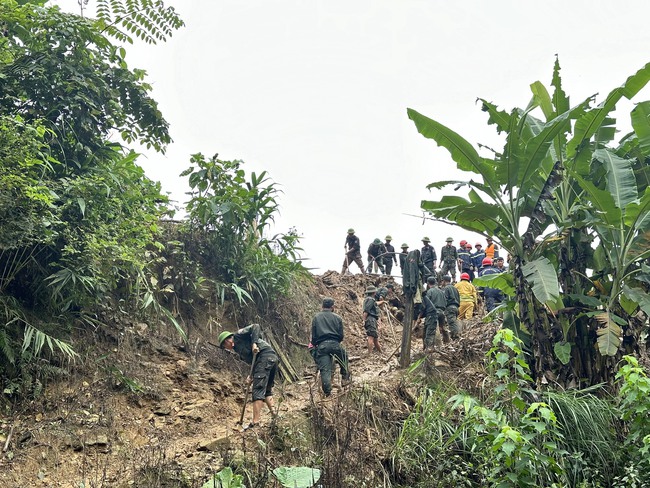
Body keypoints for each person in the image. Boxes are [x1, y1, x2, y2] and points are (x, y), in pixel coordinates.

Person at [218, 324, 278, 427]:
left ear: (227, 341)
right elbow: (255, 364)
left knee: (257, 389)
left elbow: (256, 326)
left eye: (224, 346)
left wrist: (254, 344)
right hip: (269, 359)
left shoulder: (238, 335)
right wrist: (251, 376)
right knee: (267, 390)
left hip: (265, 355)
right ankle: (275, 416)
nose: (226, 348)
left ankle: (255, 422)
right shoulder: (238, 351)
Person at [311, 297, 351, 397]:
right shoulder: (337, 318)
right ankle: (345, 378)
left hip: (322, 346)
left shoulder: (316, 317)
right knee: (344, 357)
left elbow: (314, 335)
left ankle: (328, 393)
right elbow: (341, 335)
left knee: (325, 370)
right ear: (332, 307)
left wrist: (316, 344)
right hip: (335, 344)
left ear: (322, 306)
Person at [362, 285, 383, 353]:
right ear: (374, 292)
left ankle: (381, 352)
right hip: (371, 319)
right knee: (371, 337)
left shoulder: (369, 299)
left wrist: (382, 302)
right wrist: (364, 320)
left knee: (375, 338)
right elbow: (366, 310)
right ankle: (369, 354)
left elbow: (375, 304)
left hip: (372, 319)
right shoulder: (370, 300)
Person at [441, 275, 461, 339]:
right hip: (456, 307)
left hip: (450, 307)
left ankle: (456, 337)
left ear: (444, 281)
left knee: (452, 323)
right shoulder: (455, 288)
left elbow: (445, 299)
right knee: (454, 322)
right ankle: (456, 336)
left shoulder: (446, 288)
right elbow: (458, 298)